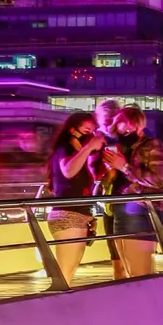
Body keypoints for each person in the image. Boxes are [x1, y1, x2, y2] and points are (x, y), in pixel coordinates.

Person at [103, 106, 163, 278]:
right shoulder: (125, 149)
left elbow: (157, 180)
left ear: (139, 126)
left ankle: (148, 304)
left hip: (141, 211)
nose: (124, 133)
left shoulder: (153, 145)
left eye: (128, 129)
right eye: (119, 130)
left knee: (139, 274)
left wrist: (125, 167)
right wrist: (113, 170)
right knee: (129, 272)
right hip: (122, 211)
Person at [45, 111, 105, 286]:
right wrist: (88, 147)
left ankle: (59, 306)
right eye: (87, 131)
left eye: (93, 132)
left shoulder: (80, 155)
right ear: (72, 130)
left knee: (69, 272)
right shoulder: (66, 148)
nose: (90, 137)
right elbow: (68, 171)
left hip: (78, 215)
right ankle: (54, 308)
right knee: (65, 273)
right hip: (67, 215)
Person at [89, 98, 124, 279]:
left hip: (118, 196)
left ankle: (123, 279)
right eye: (106, 120)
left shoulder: (125, 138)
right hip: (110, 197)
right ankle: (122, 280)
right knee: (115, 243)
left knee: (119, 243)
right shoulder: (97, 140)